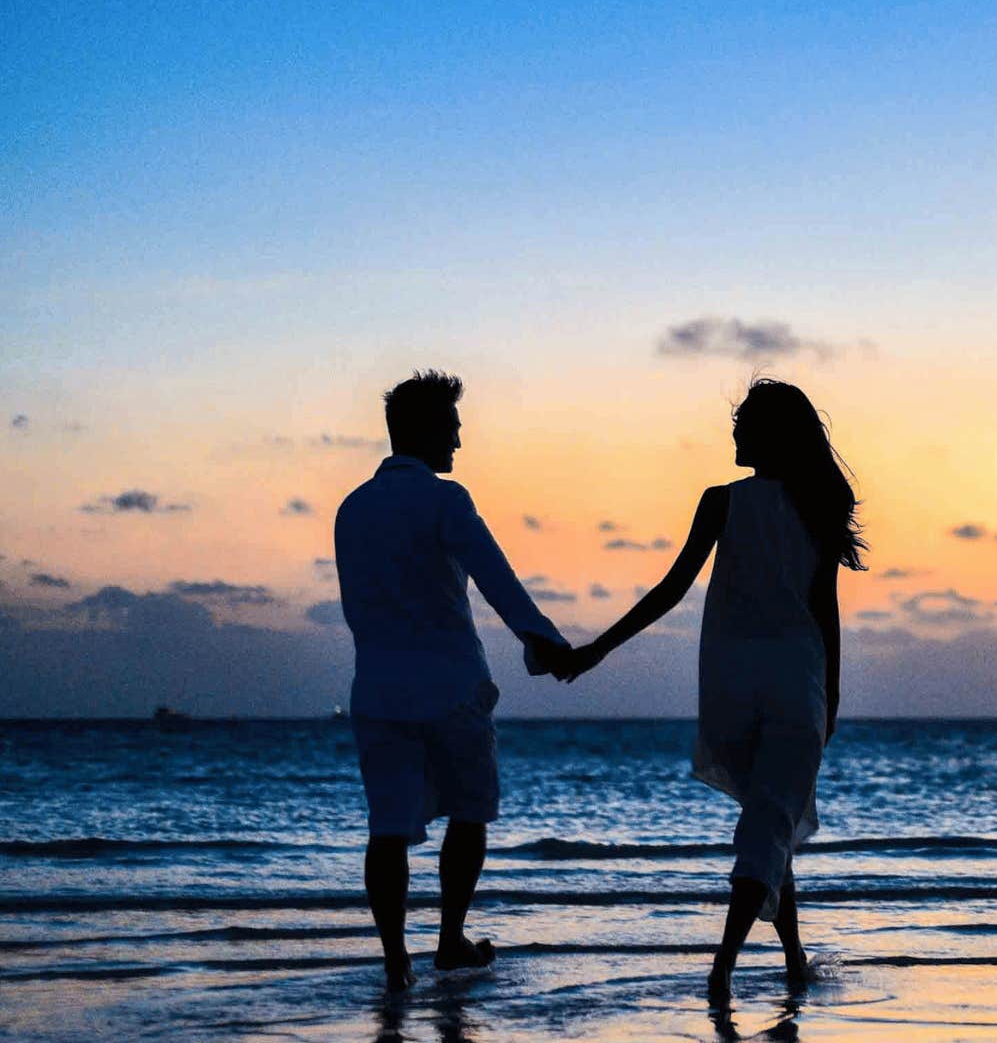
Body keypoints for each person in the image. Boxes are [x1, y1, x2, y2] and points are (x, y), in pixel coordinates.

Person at [566, 378, 865, 1004]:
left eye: (742, 424)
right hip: (796, 687)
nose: (733, 433)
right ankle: (723, 969)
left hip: (731, 691)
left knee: (769, 821)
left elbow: (671, 590)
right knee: (767, 826)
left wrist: (598, 649)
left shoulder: (721, 501)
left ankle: (793, 958)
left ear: (768, 435)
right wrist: (831, 699)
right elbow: (824, 611)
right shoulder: (817, 504)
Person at [334, 369, 573, 992]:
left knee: (388, 828)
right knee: (469, 813)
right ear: (425, 428)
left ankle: (395, 960)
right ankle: (448, 939)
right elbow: (495, 577)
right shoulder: (446, 499)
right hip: (450, 685)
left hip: (379, 688)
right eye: (452, 427)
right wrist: (542, 642)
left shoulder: (351, 509)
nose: (459, 442)